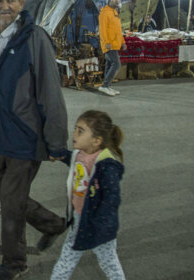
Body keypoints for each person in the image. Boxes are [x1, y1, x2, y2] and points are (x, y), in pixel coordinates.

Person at [0, 0, 69, 280]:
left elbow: (50, 91)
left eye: (11, 0)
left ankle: (14, 264)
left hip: (26, 132)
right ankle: (53, 224)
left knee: (12, 202)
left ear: (22, 3)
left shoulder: (34, 38)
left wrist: (56, 141)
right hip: (1, 131)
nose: (5, 6)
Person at [49, 110, 125, 280]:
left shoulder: (106, 165)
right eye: (75, 129)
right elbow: (73, 160)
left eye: (80, 131)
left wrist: (99, 223)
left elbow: (111, 199)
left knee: (108, 261)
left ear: (97, 140)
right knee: (69, 255)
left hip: (98, 225)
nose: (74, 133)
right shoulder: (80, 154)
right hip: (80, 218)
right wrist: (59, 154)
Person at [98, 0, 126, 96]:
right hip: (109, 44)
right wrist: (106, 43)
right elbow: (102, 30)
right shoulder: (104, 13)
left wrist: (123, 42)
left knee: (109, 64)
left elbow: (118, 30)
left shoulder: (115, 12)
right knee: (116, 64)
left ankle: (107, 86)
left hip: (115, 43)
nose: (118, 1)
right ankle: (105, 86)